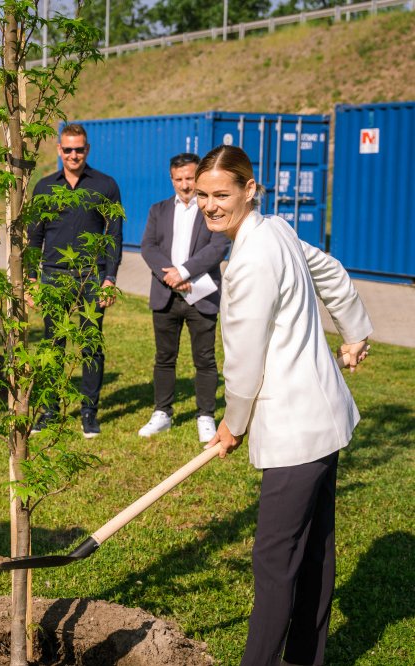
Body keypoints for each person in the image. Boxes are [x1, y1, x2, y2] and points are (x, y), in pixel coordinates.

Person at [197, 145, 372, 666]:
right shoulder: (277, 230)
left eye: (221, 194)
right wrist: (356, 331)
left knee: (275, 564)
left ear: (250, 190)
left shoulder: (251, 258)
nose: (209, 204)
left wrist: (232, 423)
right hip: (326, 423)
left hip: (297, 434)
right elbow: (333, 272)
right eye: (203, 195)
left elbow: (243, 359)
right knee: (315, 548)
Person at [27, 123, 123, 438]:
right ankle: (50, 411)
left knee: (91, 345)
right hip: (53, 275)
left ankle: (88, 413)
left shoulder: (106, 185)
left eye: (79, 149)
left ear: (87, 149)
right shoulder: (43, 187)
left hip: (92, 276)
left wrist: (110, 278)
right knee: (53, 343)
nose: (73, 155)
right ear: (58, 150)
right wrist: (30, 280)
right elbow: (33, 238)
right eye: (67, 149)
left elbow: (114, 236)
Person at [138, 153, 229, 442]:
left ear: (199, 177)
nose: (185, 185)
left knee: (204, 359)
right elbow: (148, 246)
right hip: (166, 294)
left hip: (200, 295)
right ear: (171, 179)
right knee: (164, 357)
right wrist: (170, 276)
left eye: (190, 178)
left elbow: (218, 247)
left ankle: (205, 416)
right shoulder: (159, 209)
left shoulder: (212, 210)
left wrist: (184, 272)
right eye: (179, 179)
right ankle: (162, 412)